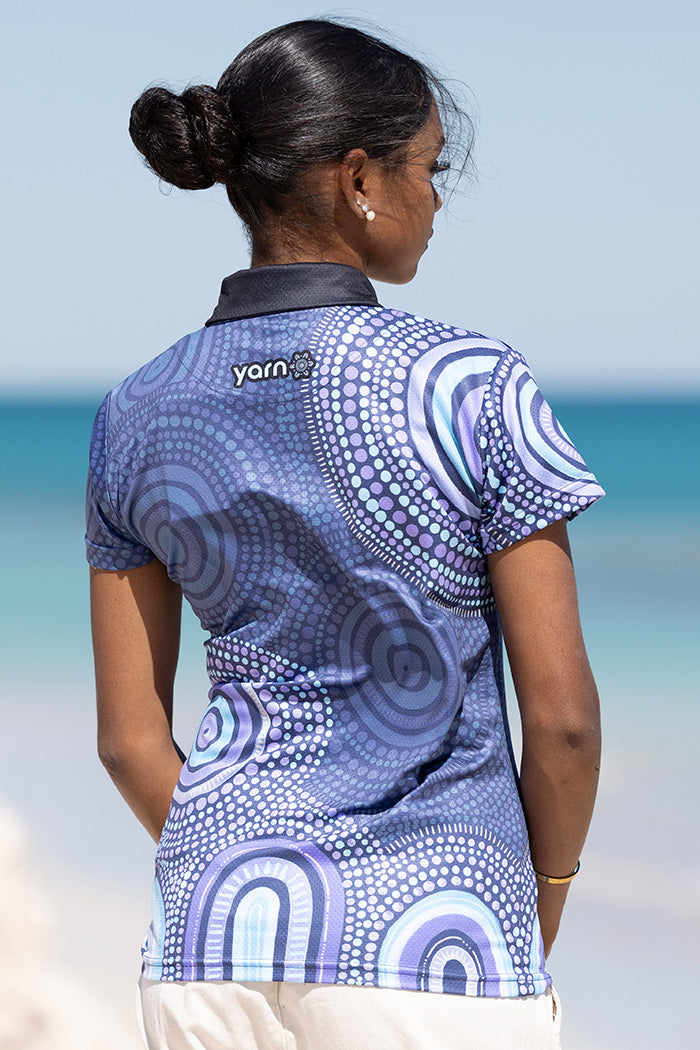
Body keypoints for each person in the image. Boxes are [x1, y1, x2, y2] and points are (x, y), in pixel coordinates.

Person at [86, 18, 603, 1050]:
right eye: (429, 168)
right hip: (431, 951)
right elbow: (563, 723)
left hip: (204, 950)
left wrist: (238, 868)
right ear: (359, 177)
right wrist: (541, 893)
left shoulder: (136, 409)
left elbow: (128, 739)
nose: (437, 198)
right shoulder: (470, 384)